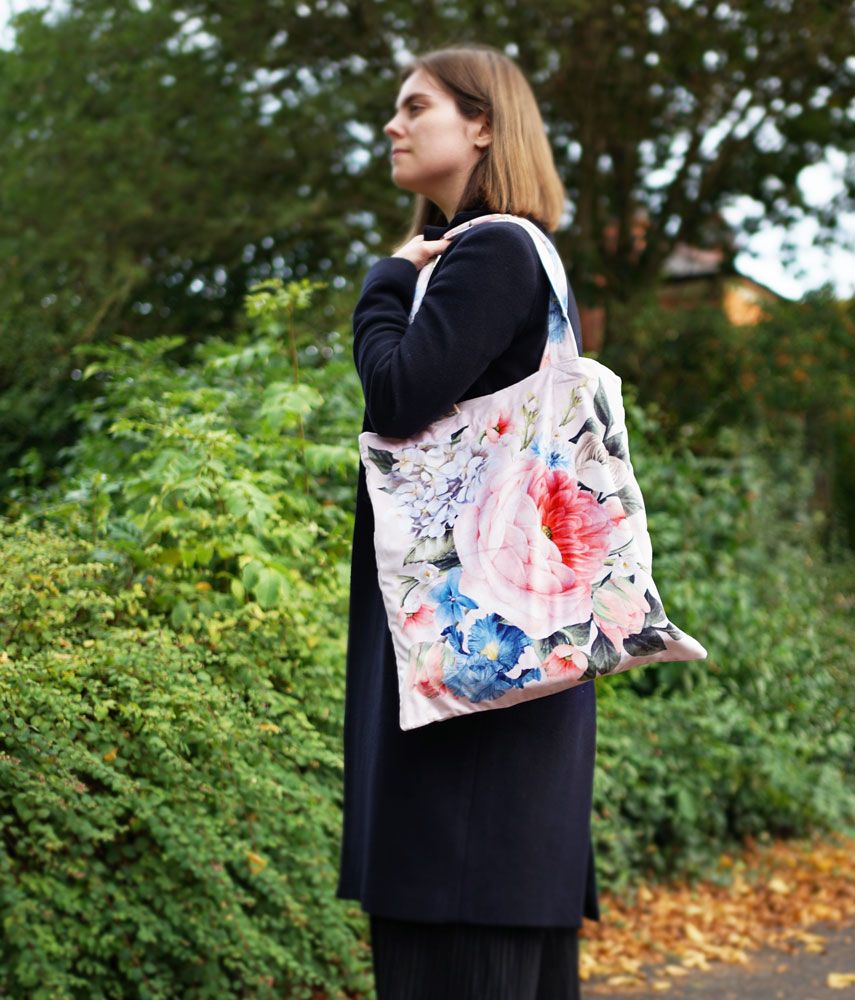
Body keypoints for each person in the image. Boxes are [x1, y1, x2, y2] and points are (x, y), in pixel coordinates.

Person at [337, 42, 600, 1000]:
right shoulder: (505, 256)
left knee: (448, 964)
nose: (392, 125)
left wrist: (381, 285)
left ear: (482, 123)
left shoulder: (490, 248)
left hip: (465, 718)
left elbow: (398, 396)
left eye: (416, 106)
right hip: (496, 692)